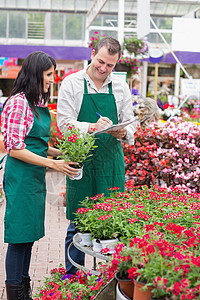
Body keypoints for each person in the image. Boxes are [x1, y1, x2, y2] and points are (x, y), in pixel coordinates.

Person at [1, 51, 78, 300]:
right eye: (48, 75)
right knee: (19, 237)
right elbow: (14, 148)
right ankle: (15, 293)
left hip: (33, 179)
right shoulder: (18, 103)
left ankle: (24, 289)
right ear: (35, 75)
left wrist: (62, 152)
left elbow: (36, 144)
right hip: (21, 178)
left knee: (29, 237)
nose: (52, 79)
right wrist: (54, 164)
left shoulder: (37, 105)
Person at [57, 37, 136, 274]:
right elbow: (64, 124)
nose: (103, 68)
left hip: (111, 163)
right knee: (78, 225)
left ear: (116, 64)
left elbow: (131, 125)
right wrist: (92, 127)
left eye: (110, 65)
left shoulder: (121, 87)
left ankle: (110, 278)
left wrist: (124, 131)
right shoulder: (71, 83)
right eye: (100, 61)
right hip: (82, 163)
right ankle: (72, 279)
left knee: (114, 224)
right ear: (93, 53)